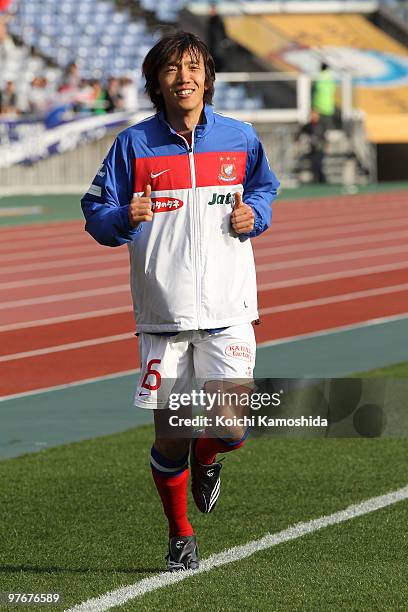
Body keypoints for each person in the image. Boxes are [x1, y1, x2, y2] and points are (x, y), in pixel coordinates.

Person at [81, 31, 279, 572]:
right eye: (171, 70)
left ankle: (210, 454)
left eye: (193, 67)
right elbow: (95, 213)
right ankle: (180, 535)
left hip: (229, 312)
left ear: (207, 78)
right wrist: (124, 217)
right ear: (156, 83)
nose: (183, 78)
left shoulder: (239, 138)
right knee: (170, 438)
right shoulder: (133, 145)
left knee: (231, 428)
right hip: (162, 318)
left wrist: (254, 215)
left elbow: (264, 188)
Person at [312, 62, 336, 131]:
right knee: (327, 126)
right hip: (329, 106)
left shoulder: (318, 77)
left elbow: (315, 90)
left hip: (318, 105)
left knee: (317, 126)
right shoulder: (331, 78)